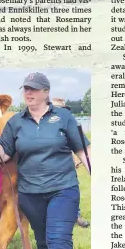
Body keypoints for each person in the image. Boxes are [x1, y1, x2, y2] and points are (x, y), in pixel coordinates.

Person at [0, 72, 89, 249]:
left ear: (46, 92)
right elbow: (2, 155)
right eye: (26, 89)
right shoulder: (16, 122)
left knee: (58, 240)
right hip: (31, 194)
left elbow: (84, 150)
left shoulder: (63, 117)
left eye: (34, 89)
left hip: (62, 189)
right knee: (43, 242)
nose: (28, 93)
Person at [51, 97, 91, 229]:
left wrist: (75, 160)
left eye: (63, 109)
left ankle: (76, 215)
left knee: (72, 189)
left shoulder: (68, 123)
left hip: (66, 166)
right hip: (50, 167)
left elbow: (75, 146)